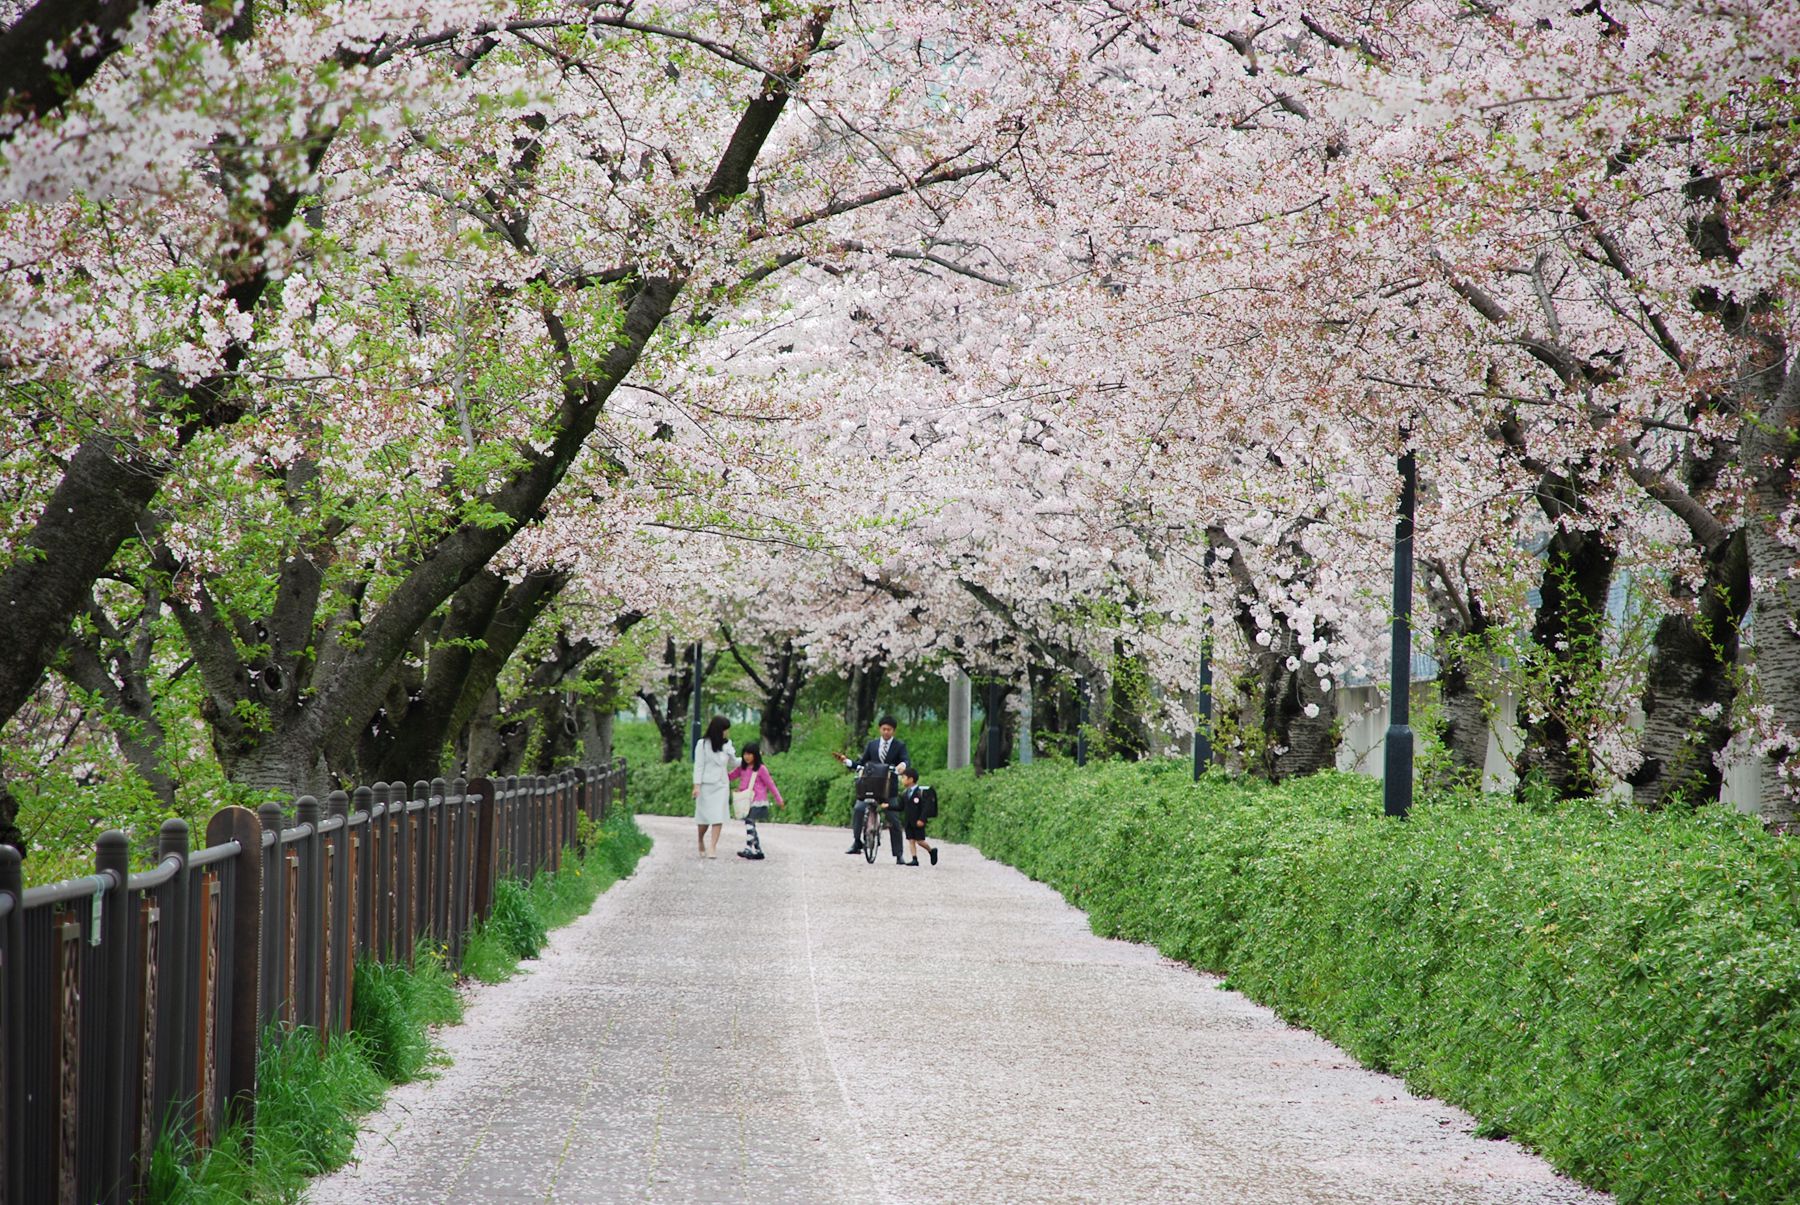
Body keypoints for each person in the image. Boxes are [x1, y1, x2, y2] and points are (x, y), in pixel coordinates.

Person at [834, 714, 908, 863]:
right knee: (859, 809)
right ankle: (857, 842)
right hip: (871, 786)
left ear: (894, 731)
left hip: (888, 789)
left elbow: (905, 760)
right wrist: (847, 762)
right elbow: (861, 763)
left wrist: (902, 766)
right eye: (883, 729)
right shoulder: (872, 745)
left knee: (893, 819)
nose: (886, 732)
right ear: (880, 729)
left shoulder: (899, 746)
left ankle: (899, 854)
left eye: (889, 729)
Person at [729, 742, 785, 860]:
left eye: (750, 754)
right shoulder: (742, 768)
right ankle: (758, 850)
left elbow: (771, 784)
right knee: (751, 825)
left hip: (758, 800)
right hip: (746, 801)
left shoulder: (761, 769)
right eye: (745, 754)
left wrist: (779, 799)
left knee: (749, 822)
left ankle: (748, 848)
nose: (747, 756)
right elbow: (730, 776)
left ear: (755, 755)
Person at [691, 715, 734, 858]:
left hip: (721, 785)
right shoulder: (702, 744)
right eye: (724, 730)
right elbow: (699, 766)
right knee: (704, 819)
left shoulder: (727, 745)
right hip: (706, 785)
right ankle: (700, 839)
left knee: (718, 816)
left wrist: (752, 759)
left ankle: (712, 847)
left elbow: (734, 762)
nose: (726, 733)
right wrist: (696, 786)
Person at [896, 766, 938, 866]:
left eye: (904, 778)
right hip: (909, 821)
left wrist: (922, 819)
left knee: (920, 841)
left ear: (911, 779)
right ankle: (914, 858)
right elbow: (900, 807)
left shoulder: (920, 793)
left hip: (918, 821)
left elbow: (925, 808)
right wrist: (888, 806)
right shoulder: (905, 793)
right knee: (911, 840)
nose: (902, 780)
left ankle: (931, 850)